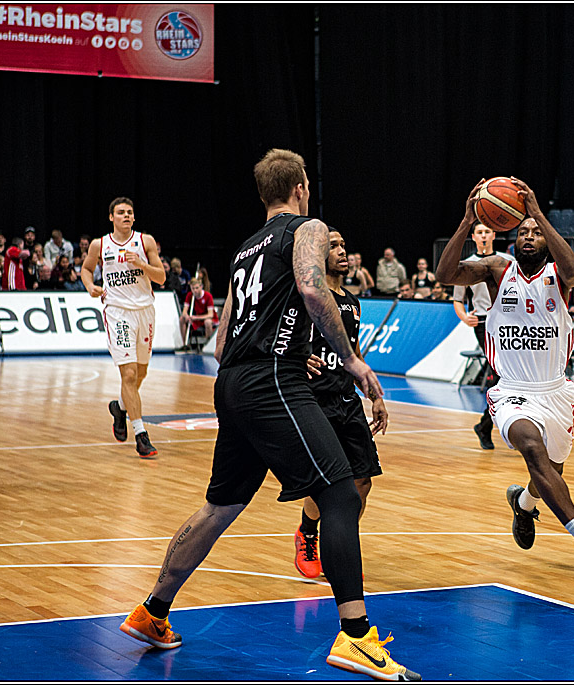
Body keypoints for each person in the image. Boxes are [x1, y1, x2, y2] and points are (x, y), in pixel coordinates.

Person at [116, 149, 419, 681]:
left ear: (263, 194)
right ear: (301, 186)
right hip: (270, 378)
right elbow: (311, 285)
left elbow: (220, 338)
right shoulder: (308, 229)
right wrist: (347, 359)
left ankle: (152, 612)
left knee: (220, 507)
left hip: (231, 379)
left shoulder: (243, 251)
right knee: (342, 493)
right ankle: (356, 638)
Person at [436, 176, 574, 574]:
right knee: (532, 449)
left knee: (551, 471)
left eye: (536, 232)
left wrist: (536, 212)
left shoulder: (559, 275)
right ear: (512, 237)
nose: (529, 236)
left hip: (554, 392)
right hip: (512, 390)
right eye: (523, 231)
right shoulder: (498, 270)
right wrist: (467, 221)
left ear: (547, 239)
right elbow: (446, 275)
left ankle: (524, 504)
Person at [294, 228, 390, 581]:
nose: (342, 250)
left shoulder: (352, 301)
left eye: (343, 245)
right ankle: (308, 533)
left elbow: (353, 351)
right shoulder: (303, 295)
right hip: (313, 398)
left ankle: (341, 541)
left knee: (362, 481)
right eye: (333, 246)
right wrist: (296, 357)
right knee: (327, 483)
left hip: (347, 398)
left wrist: (375, 396)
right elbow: (279, 336)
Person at [81, 198, 166, 458]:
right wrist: (90, 286)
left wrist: (141, 264)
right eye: (121, 213)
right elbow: (86, 269)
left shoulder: (145, 241)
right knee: (128, 375)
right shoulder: (100, 244)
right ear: (111, 217)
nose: (126, 216)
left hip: (145, 311)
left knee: (140, 374)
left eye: (130, 212)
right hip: (118, 313)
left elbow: (161, 277)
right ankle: (141, 435)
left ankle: (119, 407)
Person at [451, 221, 514, 450]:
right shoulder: (468, 264)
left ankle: (487, 425)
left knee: (509, 377)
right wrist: (464, 316)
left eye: (487, 231)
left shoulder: (508, 261)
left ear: (494, 234)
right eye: (480, 232)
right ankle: (490, 426)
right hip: (485, 323)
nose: (484, 235)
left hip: (508, 322)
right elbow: (458, 299)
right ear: (474, 237)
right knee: (502, 374)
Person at [179, 277, 218, 343]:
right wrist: (187, 316)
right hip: (197, 320)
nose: (195, 291)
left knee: (207, 322)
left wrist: (196, 318)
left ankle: (207, 344)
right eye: (193, 288)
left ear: (201, 286)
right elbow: (184, 311)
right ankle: (185, 344)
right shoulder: (189, 295)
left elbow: (210, 315)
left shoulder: (208, 296)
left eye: (197, 288)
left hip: (207, 319)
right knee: (182, 319)